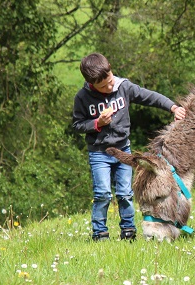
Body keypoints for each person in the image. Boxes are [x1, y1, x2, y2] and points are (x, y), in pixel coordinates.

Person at [71, 53, 186, 241]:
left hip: (123, 151)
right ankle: (99, 233)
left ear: (110, 70)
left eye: (109, 80)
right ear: (92, 84)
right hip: (99, 153)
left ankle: (128, 231)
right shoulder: (83, 98)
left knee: (125, 193)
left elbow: (149, 96)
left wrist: (172, 107)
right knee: (103, 194)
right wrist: (97, 123)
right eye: (103, 86)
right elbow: (77, 125)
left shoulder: (123, 87)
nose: (109, 87)